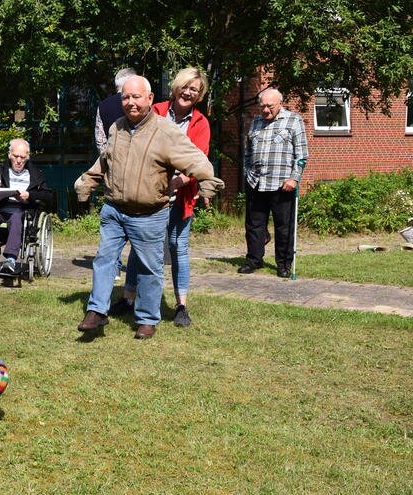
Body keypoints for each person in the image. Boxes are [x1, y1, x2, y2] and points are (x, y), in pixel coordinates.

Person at [75, 75, 224, 339]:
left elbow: (197, 161)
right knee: (104, 260)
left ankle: (147, 318)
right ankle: (97, 311)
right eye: (126, 97)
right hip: (114, 209)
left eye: (136, 97)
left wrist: (208, 183)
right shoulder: (117, 128)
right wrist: (87, 181)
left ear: (150, 99)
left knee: (149, 267)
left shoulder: (165, 132)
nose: (130, 103)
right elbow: (105, 160)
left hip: (149, 214)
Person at [108, 67, 211, 327]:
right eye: (185, 86)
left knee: (178, 248)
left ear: (199, 95)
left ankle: (181, 306)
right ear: (176, 87)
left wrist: (178, 181)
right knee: (139, 246)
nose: (188, 92)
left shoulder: (200, 123)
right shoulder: (156, 109)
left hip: (180, 195)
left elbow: (199, 161)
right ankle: (128, 298)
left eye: (194, 90)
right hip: (147, 195)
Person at [239, 88, 308, 278]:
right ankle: (254, 259)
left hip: (281, 184)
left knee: (283, 227)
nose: (266, 110)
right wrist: (248, 173)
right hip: (256, 182)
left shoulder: (294, 120)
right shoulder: (256, 122)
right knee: (254, 225)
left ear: (280, 103)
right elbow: (248, 152)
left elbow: (302, 156)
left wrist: (294, 178)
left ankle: (283, 264)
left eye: (270, 106)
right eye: (262, 106)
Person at [0, 138, 53, 274]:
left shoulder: (35, 174)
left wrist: (30, 196)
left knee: (18, 216)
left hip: (21, 210)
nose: (18, 160)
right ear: (9, 154)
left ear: (27, 157)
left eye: (22, 157)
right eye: (15, 156)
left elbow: (47, 196)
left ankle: (10, 260)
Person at [95, 67, 138, 154]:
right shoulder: (137, 103)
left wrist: (107, 160)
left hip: (113, 160)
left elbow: (100, 140)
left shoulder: (103, 105)